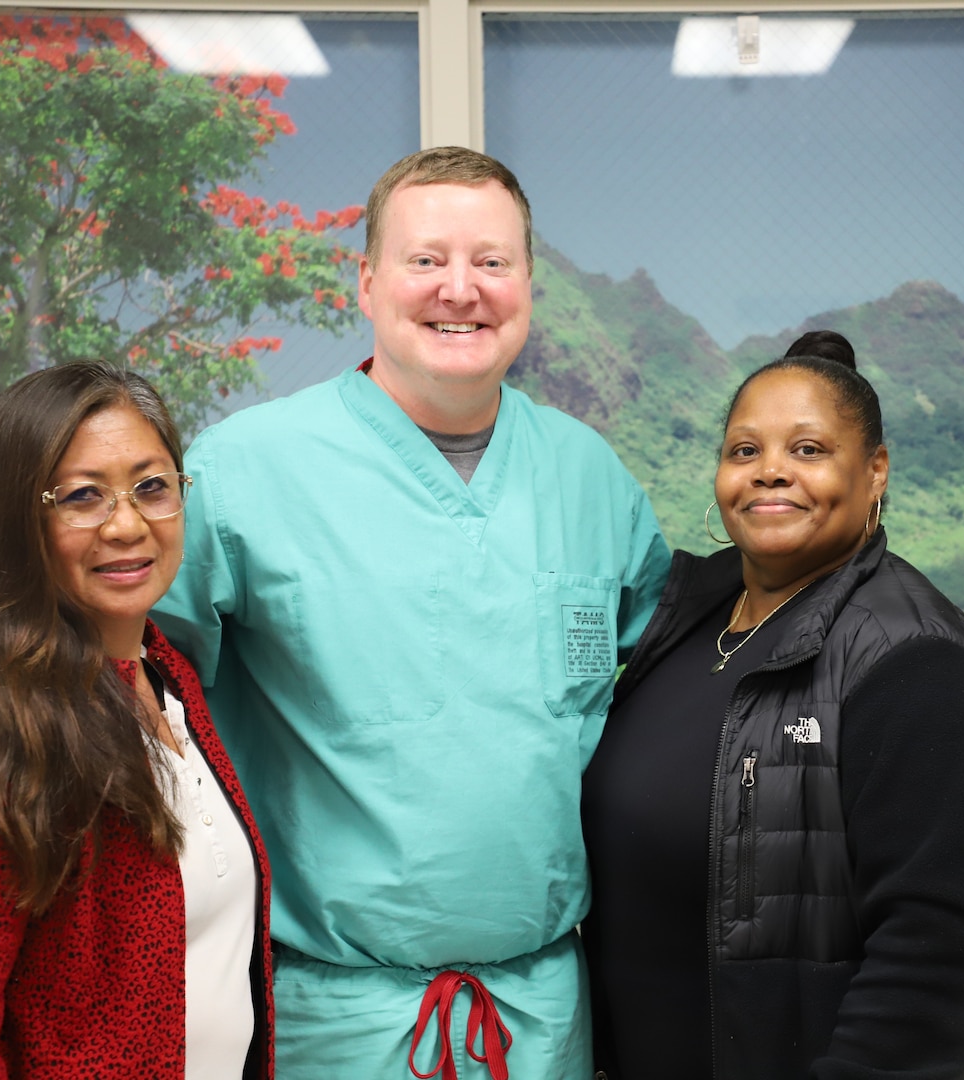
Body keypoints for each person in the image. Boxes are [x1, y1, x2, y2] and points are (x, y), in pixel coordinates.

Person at [148, 147, 670, 1076]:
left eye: (492, 263)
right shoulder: (244, 472)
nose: (459, 290)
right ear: (366, 281)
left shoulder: (592, 479)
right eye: (426, 260)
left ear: (529, 286)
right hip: (331, 1018)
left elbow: (668, 703)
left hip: (543, 1016)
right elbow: (133, 693)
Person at [582, 330, 964, 1080]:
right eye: (744, 451)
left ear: (875, 469)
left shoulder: (917, 660)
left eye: (809, 450)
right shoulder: (684, 617)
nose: (770, 472)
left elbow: (938, 957)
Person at [0, 363, 273, 1077]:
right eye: (82, 496)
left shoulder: (163, 674)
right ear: (14, 520)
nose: (127, 524)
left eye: (152, 486)